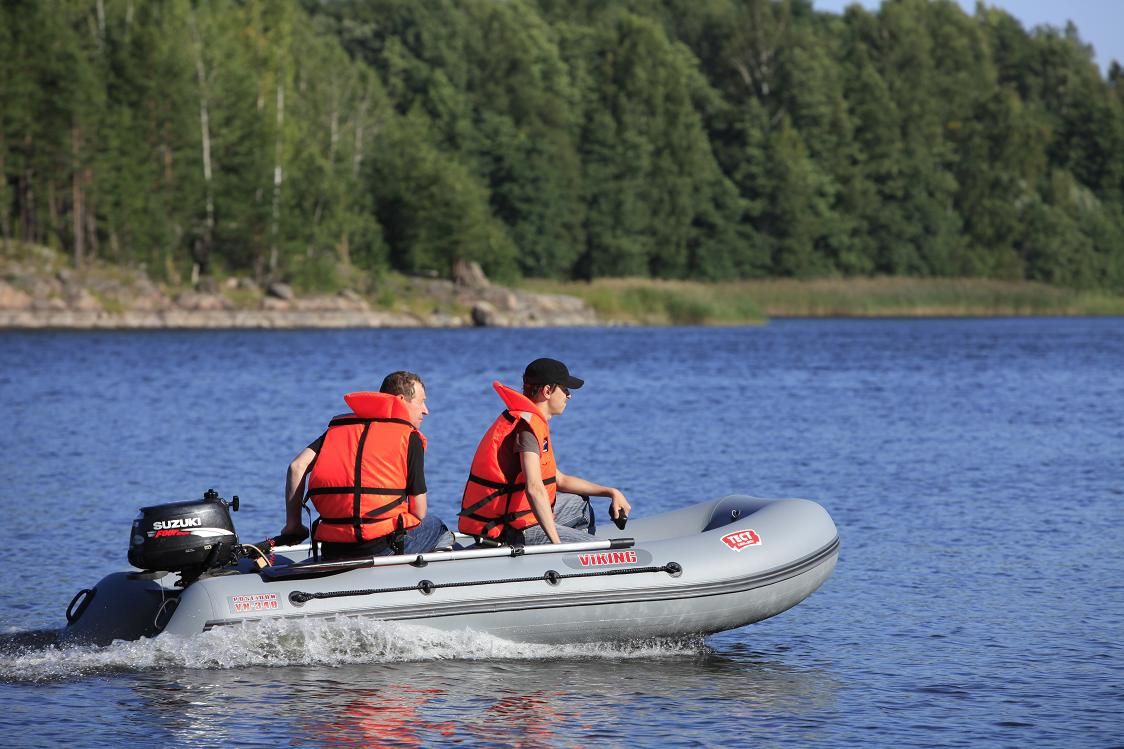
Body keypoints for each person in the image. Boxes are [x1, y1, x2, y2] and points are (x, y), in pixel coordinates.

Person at [280, 371, 452, 560]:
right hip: (379, 546)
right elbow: (419, 512)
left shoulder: (338, 431)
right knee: (439, 528)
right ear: (402, 400)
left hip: (334, 546)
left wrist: (293, 525)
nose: (425, 410)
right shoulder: (409, 438)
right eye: (421, 402)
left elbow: (296, 467)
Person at [460, 358, 631, 545]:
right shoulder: (526, 429)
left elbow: (559, 480)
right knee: (598, 550)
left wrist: (611, 492)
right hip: (513, 530)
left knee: (578, 503)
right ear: (547, 391)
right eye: (565, 389)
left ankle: (569, 558)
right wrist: (556, 545)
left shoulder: (533, 422)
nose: (569, 395)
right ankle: (567, 556)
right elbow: (534, 488)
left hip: (524, 518)